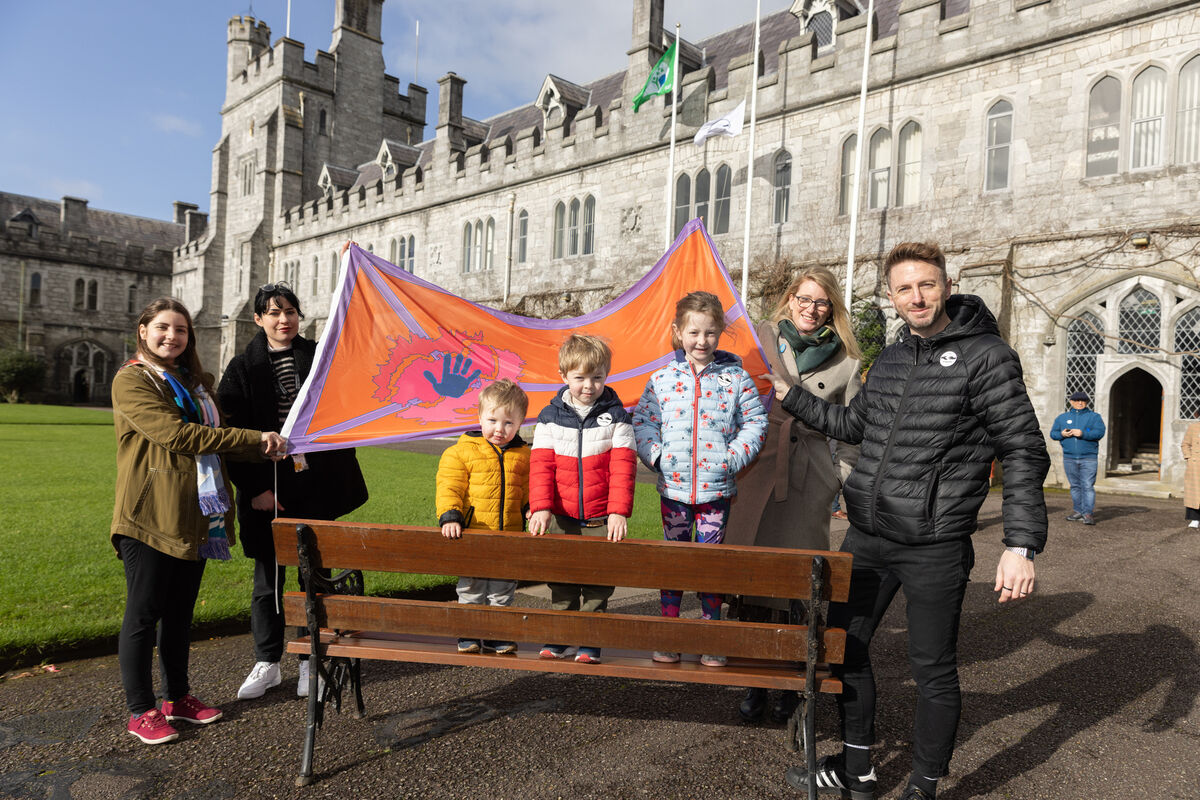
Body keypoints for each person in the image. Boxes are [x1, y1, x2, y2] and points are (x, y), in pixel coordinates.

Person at [768, 242, 1049, 800]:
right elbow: (853, 425)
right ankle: (858, 773)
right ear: (892, 296)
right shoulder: (894, 357)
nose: (916, 297)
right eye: (903, 288)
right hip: (868, 536)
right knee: (844, 648)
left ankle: (923, 785)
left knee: (932, 670)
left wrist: (1020, 544)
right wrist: (791, 396)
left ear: (946, 286)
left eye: (926, 285)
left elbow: (1022, 449)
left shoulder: (987, 356)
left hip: (934, 544)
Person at [111, 298, 287, 745]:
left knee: (179, 613)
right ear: (143, 330)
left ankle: (177, 698)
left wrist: (267, 446)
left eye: (181, 330)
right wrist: (256, 438)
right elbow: (176, 435)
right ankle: (141, 710)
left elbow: (219, 440)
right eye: (163, 328)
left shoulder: (195, 383)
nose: (172, 336)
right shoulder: (133, 379)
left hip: (196, 512)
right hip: (151, 513)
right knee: (144, 613)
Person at [218, 281, 368, 701]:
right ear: (258, 319)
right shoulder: (242, 368)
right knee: (268, 582)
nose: (283, 320)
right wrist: (254, 489)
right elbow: (231, 434)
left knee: (312, 578)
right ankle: (267, 662)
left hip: (313, 486)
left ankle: (309, 660)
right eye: (274, 312)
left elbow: (347, 396)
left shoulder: (318, 357)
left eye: (290, 311)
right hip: (267, 488)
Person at [725, 266, 861, 724]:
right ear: (790, 299)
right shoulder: (758, 338)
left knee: (800, 582)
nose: (811, 308)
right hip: (757, 467)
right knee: (755, 578)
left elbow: (852, 431)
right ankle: (753, 678)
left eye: (821, 302)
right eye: (804, 299)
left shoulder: (847, 360)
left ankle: (789, 680)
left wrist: (837, 478)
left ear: (832, 307)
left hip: (809, 477)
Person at [632, 290, 768, 667]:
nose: (701, 341)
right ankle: (669, 634)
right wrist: (658, 457)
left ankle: (711, 635)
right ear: (678, 332)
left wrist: (731, 458)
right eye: (693, 332)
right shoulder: (661, 379)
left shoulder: (736, 378)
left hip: (716, 492)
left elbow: (756, 422)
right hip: (673, 492)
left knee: (711, 564)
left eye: (709, 332)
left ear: (720, 332)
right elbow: (643, 422)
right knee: (674, 563)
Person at [528, 334, 637, 663]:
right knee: (561, 579)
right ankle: (560, 637)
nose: (589, 386)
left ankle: (590, 640)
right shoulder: (549, 416)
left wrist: (618, 512)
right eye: (580, 378)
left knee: (597, 581)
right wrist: (541, 508)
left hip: (600, 515)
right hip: (561, 516)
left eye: (597, 377)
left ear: (606, 375)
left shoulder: (617, 416)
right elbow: (541, 466)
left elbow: (623, 468)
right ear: (563, 375)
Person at [436, 378, 531, 654]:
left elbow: (527, 489)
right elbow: (449, 486)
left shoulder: (524, 455)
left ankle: (495, 634)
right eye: (492, 420)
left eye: (509, 423)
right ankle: (469, 632)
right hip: (474, 532)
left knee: (503, 589)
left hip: (509, 534)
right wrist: (450, 515)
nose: (499, 429)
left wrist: (531, 508)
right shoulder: (460, 452)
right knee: (472, 587)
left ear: (520, 423)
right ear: (479, 418)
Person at [1049, 390, 1105, 526]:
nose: (1080, 403)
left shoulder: (1094, 417)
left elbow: (1100, 432)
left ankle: (1088, 513)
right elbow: (1053, 434)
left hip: (1089, 458)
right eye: (1077, 400)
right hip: (1069, 457)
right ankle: (1078, 511)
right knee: (1074, 486)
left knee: (1087, 486)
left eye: (1083, 401)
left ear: (1087, 402)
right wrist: (1062, 434)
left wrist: (1083, 433)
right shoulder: (1062, 418)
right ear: (1071, 402)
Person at [1180, 420, 1200, 528]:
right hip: (1196, 464)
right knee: (1194, 493)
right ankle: (1195, 519)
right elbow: (1185, 444)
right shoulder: (1193, 427)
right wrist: (1189, 457)